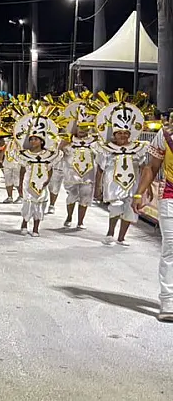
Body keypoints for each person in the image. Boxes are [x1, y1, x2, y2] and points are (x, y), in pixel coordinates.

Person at [134, 117, 172, 322]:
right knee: (171, 248)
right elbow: (152, 167)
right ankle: (168, 301)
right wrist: (139, 193)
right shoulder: (166, 133)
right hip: (170, 197)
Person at [94, 100, 147, 246]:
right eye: (119, 133)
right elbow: (100, 169)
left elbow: (144, 168)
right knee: (116, 206)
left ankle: (121, 238)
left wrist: (145, 188)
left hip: (132, 184)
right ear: (114, 134)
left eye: (125, 133)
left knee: (130, 210)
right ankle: (110, 233)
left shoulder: (138, 149)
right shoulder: (106, 149)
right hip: (113, 184)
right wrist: (97, 188)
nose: (123, 136)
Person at [18, 130, 61, 237]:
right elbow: (23, 170)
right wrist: (20, 184)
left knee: (39, 203)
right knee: (28, 203)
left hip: (42, 182)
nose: (33, 141)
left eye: (35, 139)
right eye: (31, 139)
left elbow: (50, 168)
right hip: (28, 181)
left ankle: (36, 228)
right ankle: (24, 224)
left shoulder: (48, 155)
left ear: (41, 141)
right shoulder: (25, 154)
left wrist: (47, 180)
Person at [61, 122, 97, 229]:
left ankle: (80, 221)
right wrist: (68, 138)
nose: (82, 130)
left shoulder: (93, 142)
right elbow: (59, 151)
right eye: (80, 127)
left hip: (88, 175)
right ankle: (69, 216)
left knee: (85, 197)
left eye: (86, 128)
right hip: (71, 174)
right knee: (72, 195)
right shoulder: (69, 141)